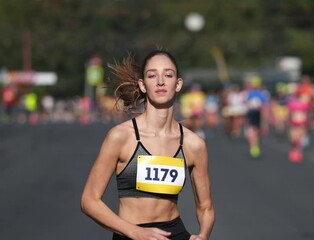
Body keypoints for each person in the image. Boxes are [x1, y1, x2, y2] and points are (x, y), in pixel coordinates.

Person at [81, 49, 215, 240]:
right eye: (152, 75)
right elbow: (89, 201)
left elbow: (206, 207)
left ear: (178, 84)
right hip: (131, 234)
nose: (160, 81)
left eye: (168, 75)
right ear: (143, 85)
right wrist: (134, 231)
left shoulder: (194, 145)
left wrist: (203, 236)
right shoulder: (121, 137)